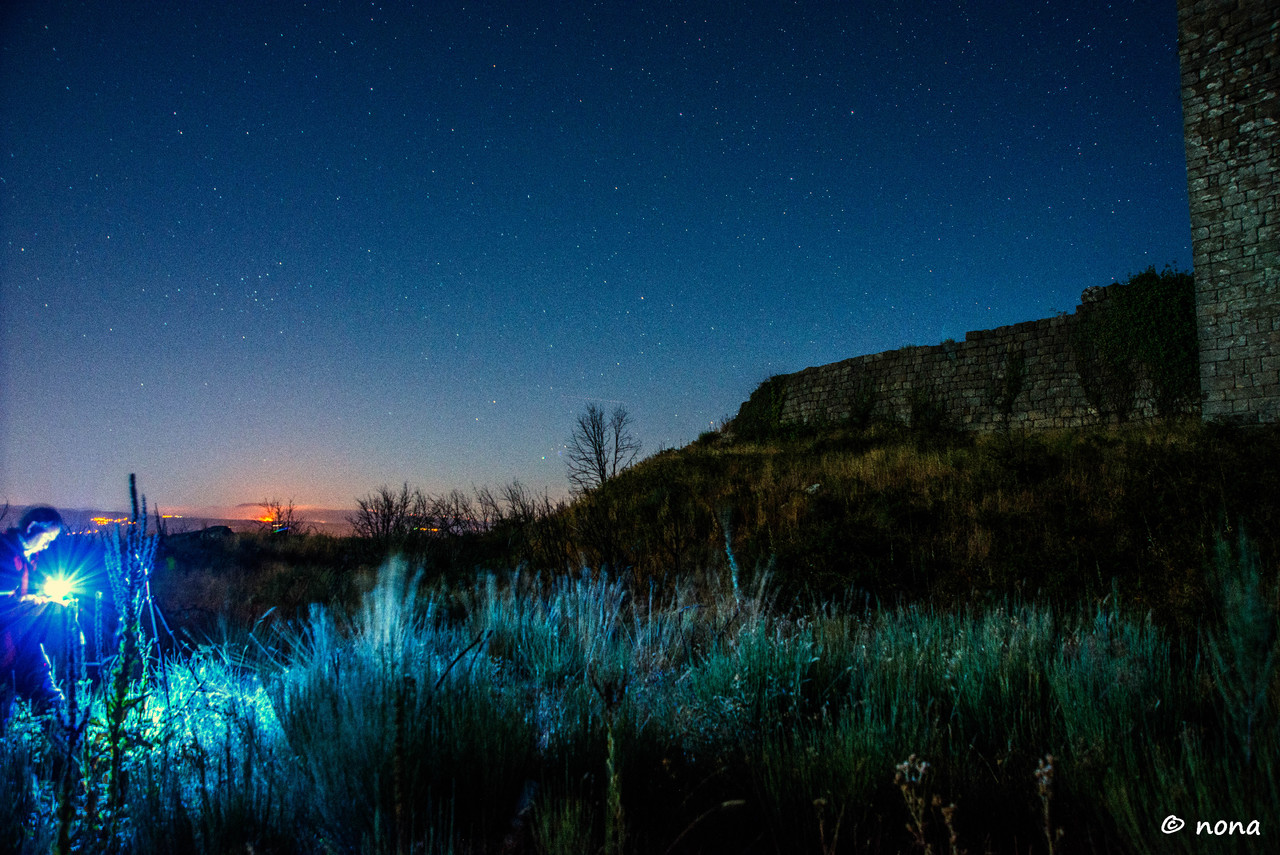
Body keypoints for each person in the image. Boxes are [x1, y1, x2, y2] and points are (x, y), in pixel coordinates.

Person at [0, 506, 67, 728]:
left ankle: (62, 752)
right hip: (6, 644)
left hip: (23, 643)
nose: (48, 545)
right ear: (32, 527)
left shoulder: (31, 558)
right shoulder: (4, 551)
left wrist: (44, 596)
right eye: (47, 538)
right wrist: (34, 600)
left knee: (48, 698)